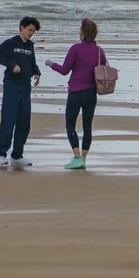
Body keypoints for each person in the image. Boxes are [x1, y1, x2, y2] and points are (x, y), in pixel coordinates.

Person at [47, 17, 109, 170]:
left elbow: (64, 70)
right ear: (95, 34)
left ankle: (76, 157)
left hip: (75, 92)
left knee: (70, 125)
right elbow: (103, 71)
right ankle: (84, 158)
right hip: (91, 93)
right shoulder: (99, 51)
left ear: (81, 32)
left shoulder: (75, 48)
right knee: (87, 126)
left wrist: (50, 64)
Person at [0, 16, 43, 169]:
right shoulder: (11, 43)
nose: (31, 33)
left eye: (33, 31)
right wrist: (11, 64)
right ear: (22, 28)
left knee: (24, 122)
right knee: (9, 120)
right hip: (12, 85)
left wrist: (37, 73)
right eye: (30, 30)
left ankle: (17, 155)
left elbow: (32, 63)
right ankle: (0, 155)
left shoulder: (30, 46)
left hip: (25, 86)